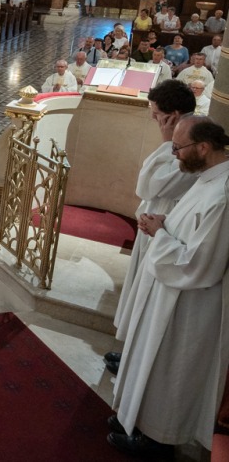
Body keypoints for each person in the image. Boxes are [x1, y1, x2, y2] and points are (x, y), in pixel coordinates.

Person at [110, 117, 229, 457]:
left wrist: (158, 234)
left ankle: (156, 443)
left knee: (169, 374)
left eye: (179, 148)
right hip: (170, 291)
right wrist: (165, 223)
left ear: (203, 147)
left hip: (188, 304)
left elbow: (199, 264)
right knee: (153, 364)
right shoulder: (208, 177)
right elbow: (190, 233)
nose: (175, 154)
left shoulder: (222, 196)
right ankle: (138, 423)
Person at [108, 80, 197, 375]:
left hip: (167, 227)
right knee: (139, 290)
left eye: (157, 114)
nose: (153, 118)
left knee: (147, 296)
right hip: (155, 223)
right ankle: (130, 350)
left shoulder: (188, 144)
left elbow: (147, 185)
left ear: (173, 116)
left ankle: (134, 358)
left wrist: (167, 139)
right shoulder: (182, 137)